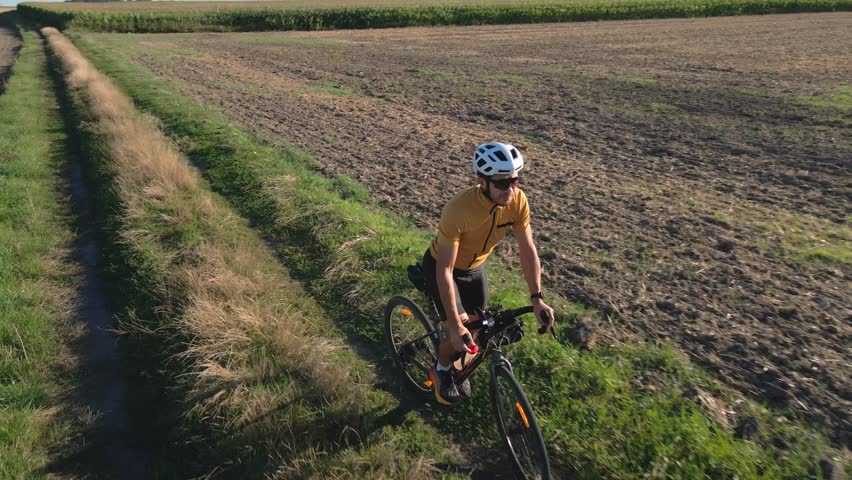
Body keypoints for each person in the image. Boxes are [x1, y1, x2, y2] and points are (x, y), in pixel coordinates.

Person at [423, 142, 555, 405]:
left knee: (480, 331)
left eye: (515, 180)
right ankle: (441, 368)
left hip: (475, 269)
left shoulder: (518, 201)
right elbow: (445, 270)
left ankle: (459, 360)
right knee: (462, 330)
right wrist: (453, 323)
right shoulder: (458, 210)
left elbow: (527, 249)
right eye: (503, 183)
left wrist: (536, 297)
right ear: (482, 181)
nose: (512, 189)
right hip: (444, 269)